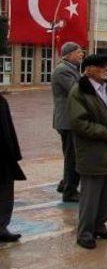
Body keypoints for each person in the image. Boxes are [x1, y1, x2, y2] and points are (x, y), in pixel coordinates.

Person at [68, 54, 107, 250]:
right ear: (88, 70)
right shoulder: (79, 92)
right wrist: (105, 134)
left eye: (105, 66)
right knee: (90, 196)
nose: (104, 69)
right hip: (93, 152)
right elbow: (79, 122)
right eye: (100, 66)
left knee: (106, 194)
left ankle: (100, 226)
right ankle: (85, 232)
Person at [51, 41, 84, 202]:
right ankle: (70, 191)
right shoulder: (63, 71)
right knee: (73, 156)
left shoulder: (70, 69)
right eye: (78, 52)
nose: (81, 55)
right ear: (69, 54)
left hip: (68, 120)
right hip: (68, 121)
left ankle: (65, 184)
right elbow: (76, 91)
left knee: (71, 154)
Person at [0, 93, 26, 242]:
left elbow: (8, 128)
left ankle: (2, 227)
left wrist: (14, 153)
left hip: (4, 156)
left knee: (5, 191)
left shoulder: (2, 100)